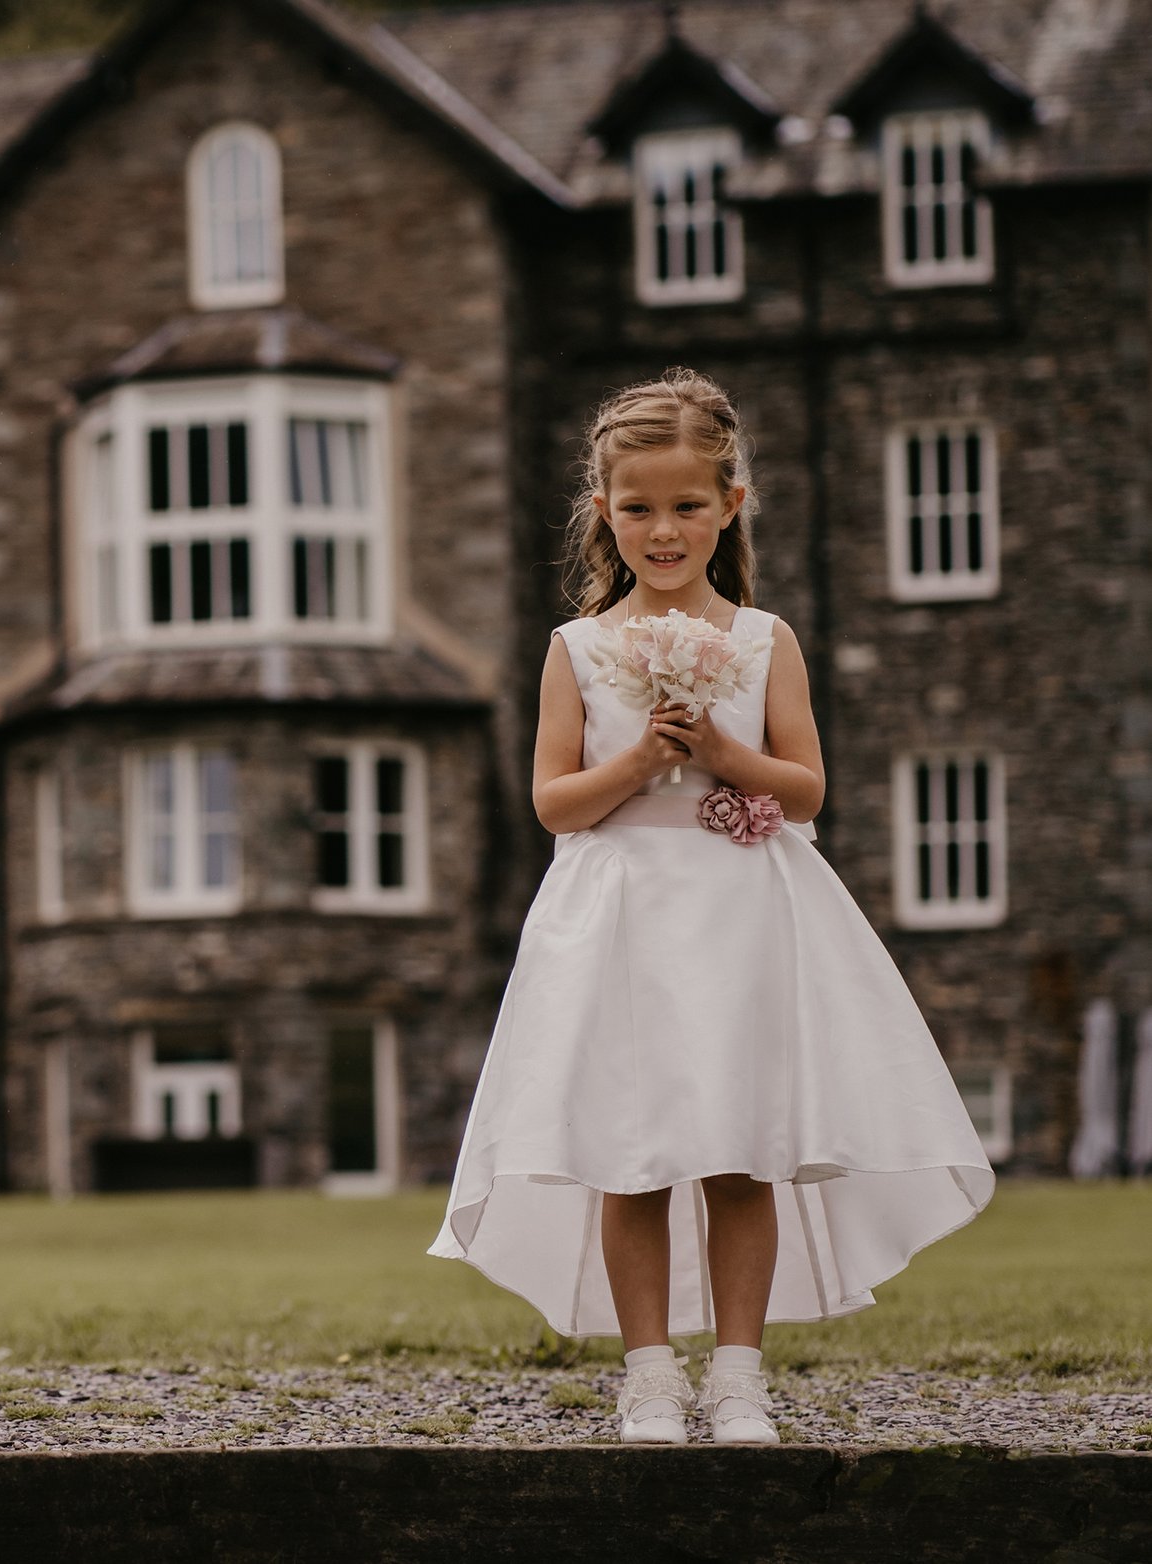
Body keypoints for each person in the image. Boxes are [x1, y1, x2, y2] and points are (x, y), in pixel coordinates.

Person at [425, 368, 996, 1446]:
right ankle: (648, 1374)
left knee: (743, 1147)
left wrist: (729, 755)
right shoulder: (578, 650)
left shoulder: (762, 639)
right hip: (623, 919)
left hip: (738, 918)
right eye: (636, 507)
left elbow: (808, 787)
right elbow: (554, 803)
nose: (662, 528)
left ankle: (738, 1373)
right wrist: (641, 757)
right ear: (604, 512)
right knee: (627, 1149)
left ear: (730, 504)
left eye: (687, 505)